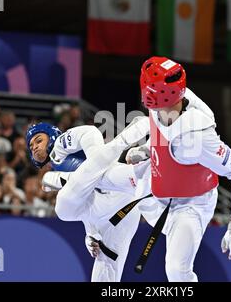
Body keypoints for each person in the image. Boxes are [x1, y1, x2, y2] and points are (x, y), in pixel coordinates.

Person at [118, 56, 231, 282]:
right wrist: (146, 149)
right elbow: (162, 131)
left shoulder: (196, 138)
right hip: (155, 190)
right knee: (103, 180)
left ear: (153, 92)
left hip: (190, 205)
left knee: (176, 272)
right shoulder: (164, 101)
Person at [26, 120, 149, 281]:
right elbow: (86, 202)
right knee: (106, 265)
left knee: (62, 206)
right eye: (31, 146)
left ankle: (150, 167)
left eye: (39, 140)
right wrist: (91, 233)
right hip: (117, 208)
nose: (34, 146)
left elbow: (91, 132)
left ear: (51, 136)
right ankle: (147, 173)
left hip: (119, 193)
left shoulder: (61, 146)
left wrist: (97, 161)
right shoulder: (59, 167)